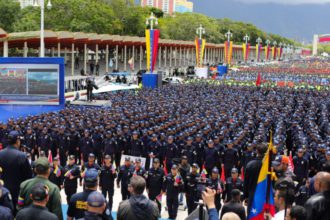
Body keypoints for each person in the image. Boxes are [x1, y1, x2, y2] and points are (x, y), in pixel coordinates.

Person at [0, 131, 32, 213]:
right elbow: (28, 177)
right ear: (18, 141)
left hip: (3, 192)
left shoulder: (0, 154)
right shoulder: (22, 156)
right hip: (18, 193)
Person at [244, 142, 268, 215]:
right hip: (265, 195)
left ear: (257, 151)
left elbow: (246, 183)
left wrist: (246, 196)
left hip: (252, 194)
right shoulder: (269, 165)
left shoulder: (250, 164)